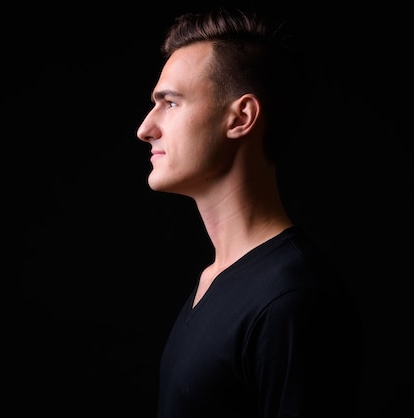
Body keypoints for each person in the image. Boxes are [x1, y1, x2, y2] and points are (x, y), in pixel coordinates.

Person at [136, 6, 363, 418]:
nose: (145, 128)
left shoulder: (292, 300)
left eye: (169, 103)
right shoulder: (213, 281)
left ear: (241, 117)